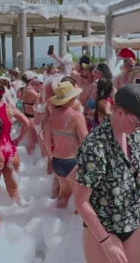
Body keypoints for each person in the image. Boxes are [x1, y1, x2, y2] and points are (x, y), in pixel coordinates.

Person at [74, 84, 140, 263]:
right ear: (120, 113)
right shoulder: (95, 145)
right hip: (102, 229)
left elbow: (135, 170)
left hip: (134, 221)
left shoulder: (135, 136)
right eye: (138, 123)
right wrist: (106, 241)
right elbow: (80, 201)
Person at [0, 80, 30, 204]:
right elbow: (27, 123)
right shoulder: (10, 107)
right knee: (14, 190)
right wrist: (18, 139)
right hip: (11, 151)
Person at [46, 81, 88, 209]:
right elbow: (86, 142)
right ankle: (74, 228)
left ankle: (57, 221)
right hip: (72, 162)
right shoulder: (76, 117)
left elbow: (47, 141)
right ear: (71, 98)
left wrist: (51, 157)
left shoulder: (52, 115)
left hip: (57, 162)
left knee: (64, 194)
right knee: (81, 201)